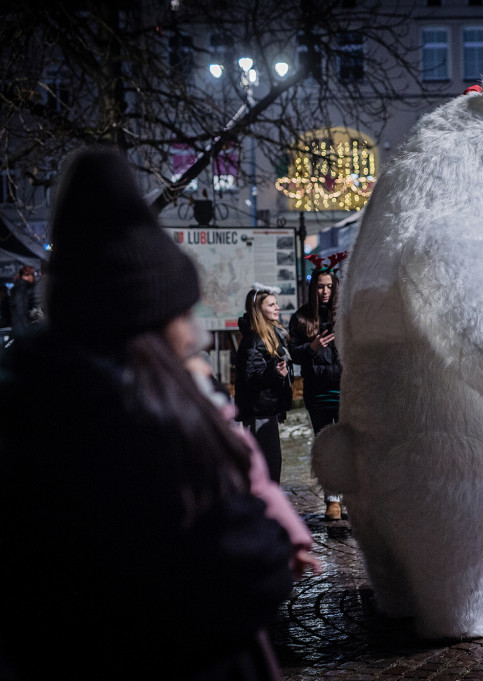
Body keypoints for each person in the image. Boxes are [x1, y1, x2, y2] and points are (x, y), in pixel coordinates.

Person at [0, 148, 309, 679]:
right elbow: (250, 568)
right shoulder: (151, 429)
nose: (199, 333)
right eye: (184, 315)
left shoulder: (23, 405)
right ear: (152, 325)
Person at [289, 258, 345, 520]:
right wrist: (311, 349)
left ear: (336, 287)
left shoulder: (345, 313)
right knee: (325, 446)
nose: (325, 292)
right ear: (313, 289)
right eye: (320, 287)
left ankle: (351, 499)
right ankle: (332, 500)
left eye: (329, 287)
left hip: (345, 389)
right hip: (318, 393)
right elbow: (292, 353)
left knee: (346, 445)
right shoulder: (302, 318)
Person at [235, 284, 293, 484]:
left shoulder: (271, 334)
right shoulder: (253, 340)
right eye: (271, 305)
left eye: (276, 304)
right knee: (264, 469)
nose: (277, 308)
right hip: (258, 412)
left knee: (272, 466)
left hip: (268, 411)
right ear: (259, 311)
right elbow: (251, 377)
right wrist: (275, 373)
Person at [9, 264, 41, 336]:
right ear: (25, 276)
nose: (33, 277)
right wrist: (28, 328)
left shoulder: (20, 287)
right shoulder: (22, 289)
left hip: (20, 328)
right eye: (31, 274)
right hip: (24, 330)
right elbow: (21, 309)